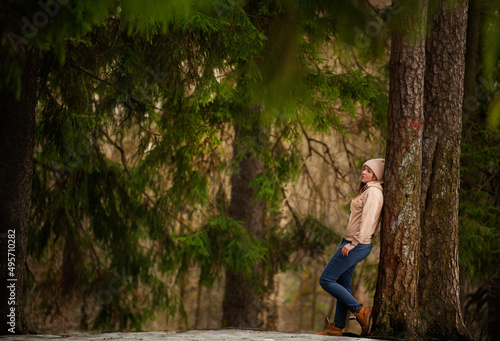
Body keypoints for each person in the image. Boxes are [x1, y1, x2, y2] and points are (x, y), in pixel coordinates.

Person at [315, 158, 385, 336]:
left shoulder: (374, 192)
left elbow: (368, 221)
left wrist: (353, 243)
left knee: (326, 280)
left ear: (377, 175)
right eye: (364, 169)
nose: (364, 172)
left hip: (356, 244)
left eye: (369, 171)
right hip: (350, 242)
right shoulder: (367, 190)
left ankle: (360, 310)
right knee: (342, 285)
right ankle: (337, 327)